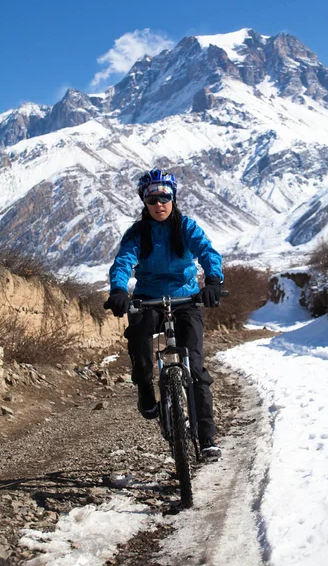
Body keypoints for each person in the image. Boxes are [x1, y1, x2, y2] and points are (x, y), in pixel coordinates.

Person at [104, 167, 224, 458]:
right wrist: (119, 290)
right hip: (149, 298)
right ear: (144, 202)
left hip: (185, 298)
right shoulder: (137, 233)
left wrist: (213, 281)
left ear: (174, 198)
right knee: (139, 338)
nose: (159, 205)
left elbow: (207, 251)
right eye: (152, 200)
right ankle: (145, 387)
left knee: (195, 367)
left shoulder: (186, 227)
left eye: (165, 198)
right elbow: (123, 262)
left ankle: (207, 438)